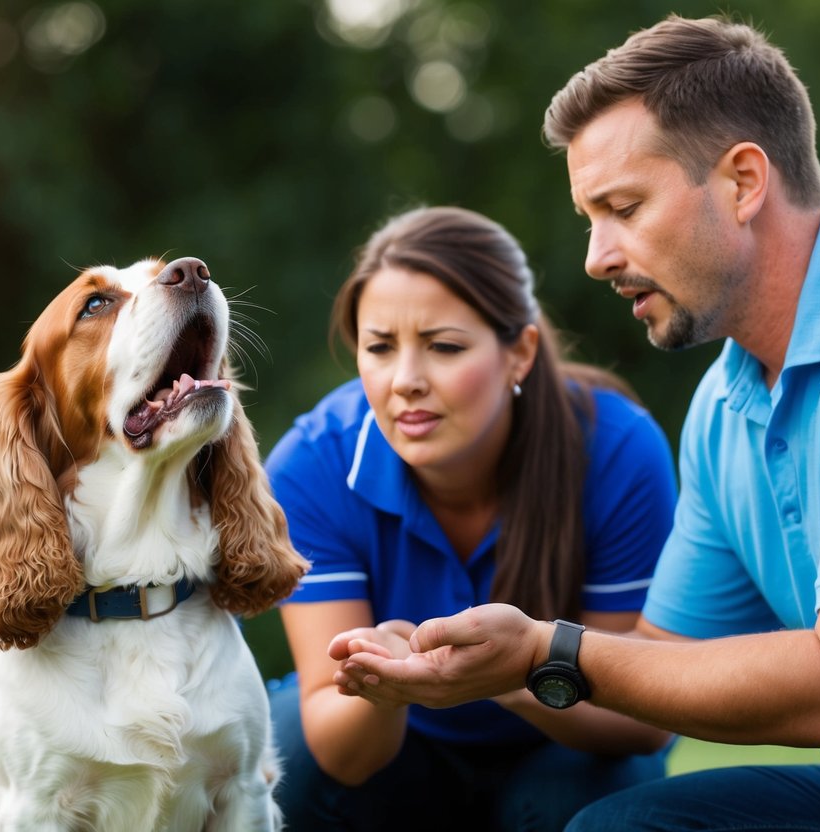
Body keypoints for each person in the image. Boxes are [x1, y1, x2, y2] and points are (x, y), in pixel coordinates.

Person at [331, 14, 820, 832]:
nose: (595, 257)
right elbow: (653, 685)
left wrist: (544, 650)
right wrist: (493, 669)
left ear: (743, 182)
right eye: (588, 218)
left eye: (623, 207)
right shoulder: (722, 404)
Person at [264, 204, 679, 831]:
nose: (405, 380)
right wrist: (384, 682)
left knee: (603, 799)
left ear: (520, 353)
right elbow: (338, 751)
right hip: (400, 751)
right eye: (379, 347)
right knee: (287, 749)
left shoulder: (620, 452)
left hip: (560, 744)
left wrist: (514, 676)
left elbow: (643, 724)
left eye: (445, 346)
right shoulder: (310, 465)